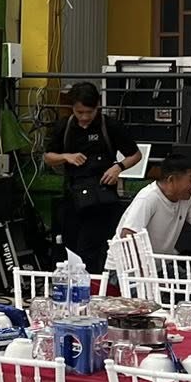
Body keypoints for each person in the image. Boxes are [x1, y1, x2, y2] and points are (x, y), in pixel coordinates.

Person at [43, 81, 143, 271]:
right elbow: (48, 157)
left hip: (102, 198)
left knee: (95, 249)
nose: (84, 117)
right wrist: (66, 157)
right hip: (73, 196)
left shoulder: (109, 126)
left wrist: (118, 167)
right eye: (79, 112)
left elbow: (136, 154)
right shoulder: (65, 126)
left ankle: (97, 282)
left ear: (97, 106)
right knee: (70, 247)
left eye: (89, 112)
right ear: (72, 108)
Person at [117, 154, 191, 255]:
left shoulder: (190, 197)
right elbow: (127, 235)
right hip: (126, 267)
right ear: (171, 180)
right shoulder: (148, 198)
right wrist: (143, 269)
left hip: (160, 263)